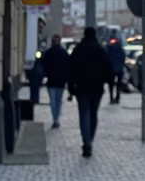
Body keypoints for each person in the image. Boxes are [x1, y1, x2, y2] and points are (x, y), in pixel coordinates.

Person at [68, 27, 112, 158]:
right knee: (93, 114)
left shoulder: (78, 50)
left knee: (83, 115)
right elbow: (108, 69)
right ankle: (90, 139)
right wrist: (110, 83)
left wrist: (71, 87)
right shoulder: (100, 50)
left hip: (81, 87)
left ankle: (86, 140)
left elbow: (71, 69)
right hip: (97, 87)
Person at [41, 36, 71, 129]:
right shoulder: (64, 53)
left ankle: (55, 119)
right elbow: (68, 66)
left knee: (53, 101)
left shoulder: (48, 53)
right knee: (58, 101)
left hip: (51, 81)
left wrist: (47, 74)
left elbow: (43, 65)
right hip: (61, 81)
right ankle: (56, 119)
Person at [106, 38, 127, 104]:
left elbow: (107, 58)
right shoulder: (120, 49)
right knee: (119, 84)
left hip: (111, 69)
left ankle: (112, 97)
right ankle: (117, 96)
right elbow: (123, 57)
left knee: (111, 84)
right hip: (119, 69)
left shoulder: (109, 48)